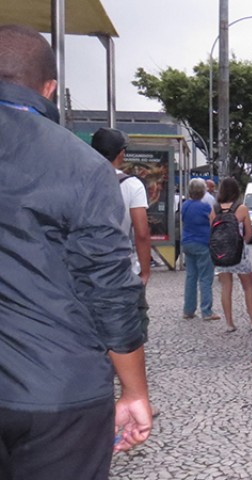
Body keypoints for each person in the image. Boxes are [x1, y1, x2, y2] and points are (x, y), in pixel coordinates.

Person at [0, 24, 151, 479]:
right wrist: (134, 391)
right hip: (56, 392)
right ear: (48, 88)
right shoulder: (81, 167)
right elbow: (110, 291)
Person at [91, 127, 153, 340]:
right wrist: (145, 272)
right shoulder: (132, 185)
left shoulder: (80, 180)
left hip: (87, 269)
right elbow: (142, 232)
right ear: (121, 153)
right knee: (131, 330)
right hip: (123, 270)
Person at [211, 177, 252, 333]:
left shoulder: (214, 209)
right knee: (248, 287)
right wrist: (241, 244)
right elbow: (248, 233)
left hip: (221, 254)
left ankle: (229, 323)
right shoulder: (242, 209)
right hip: (240, 254)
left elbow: (212, 232)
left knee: (226, 287)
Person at [181, 178, 220, 321]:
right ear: (203, 191)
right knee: (205, 278)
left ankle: (188, 310)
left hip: (187, 243)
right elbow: (214, 224)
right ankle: (207, 311)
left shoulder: (185, 205)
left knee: (191, 276)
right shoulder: (206, 208)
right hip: (203, 243)